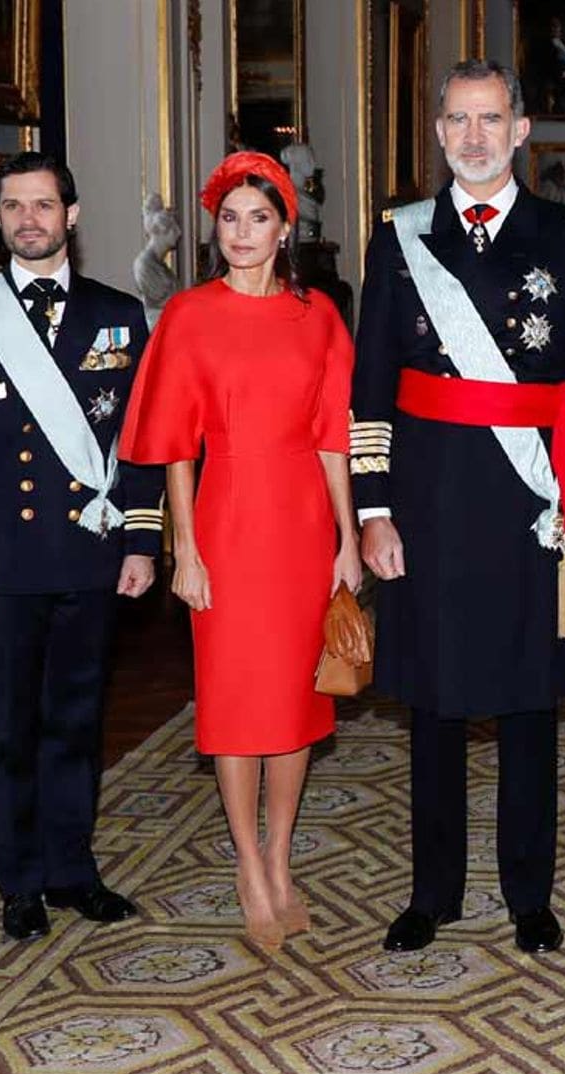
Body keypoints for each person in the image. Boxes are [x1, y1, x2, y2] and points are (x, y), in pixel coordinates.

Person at [353, 59, 565, 955]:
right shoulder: (397, 238)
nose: (474, 137)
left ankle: (528, 895)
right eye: (458, 121)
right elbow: (371, 389)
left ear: (520, 131)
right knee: (430, 703)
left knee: (525, 703)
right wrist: (374, 509)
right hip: (426, 501)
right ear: (438, 133)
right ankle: (432, 892)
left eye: (491, 119)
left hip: (530, 500)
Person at [120, 151, 361, 948]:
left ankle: (281, 859)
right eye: (229, 218)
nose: (243, 232)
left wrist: (348, 538)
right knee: (233, 702)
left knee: (295, 703)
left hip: (300, 523)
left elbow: (334, 437)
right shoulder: (189, 315)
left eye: (259, 218)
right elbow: (176, 445)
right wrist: (183, 547)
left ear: (285, 227)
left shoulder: (318, 316)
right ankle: (248, 869)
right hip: (224, 517)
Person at [0, 152, 164, 942]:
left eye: (43, 205)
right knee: (6, 730)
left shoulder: (120, 313)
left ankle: (73, 869)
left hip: (88, 555)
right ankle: (18, 880)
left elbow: (138, 439)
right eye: (13, 206)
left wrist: (141, 538)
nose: (29, 219)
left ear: (73, 214)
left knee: (77, 721)